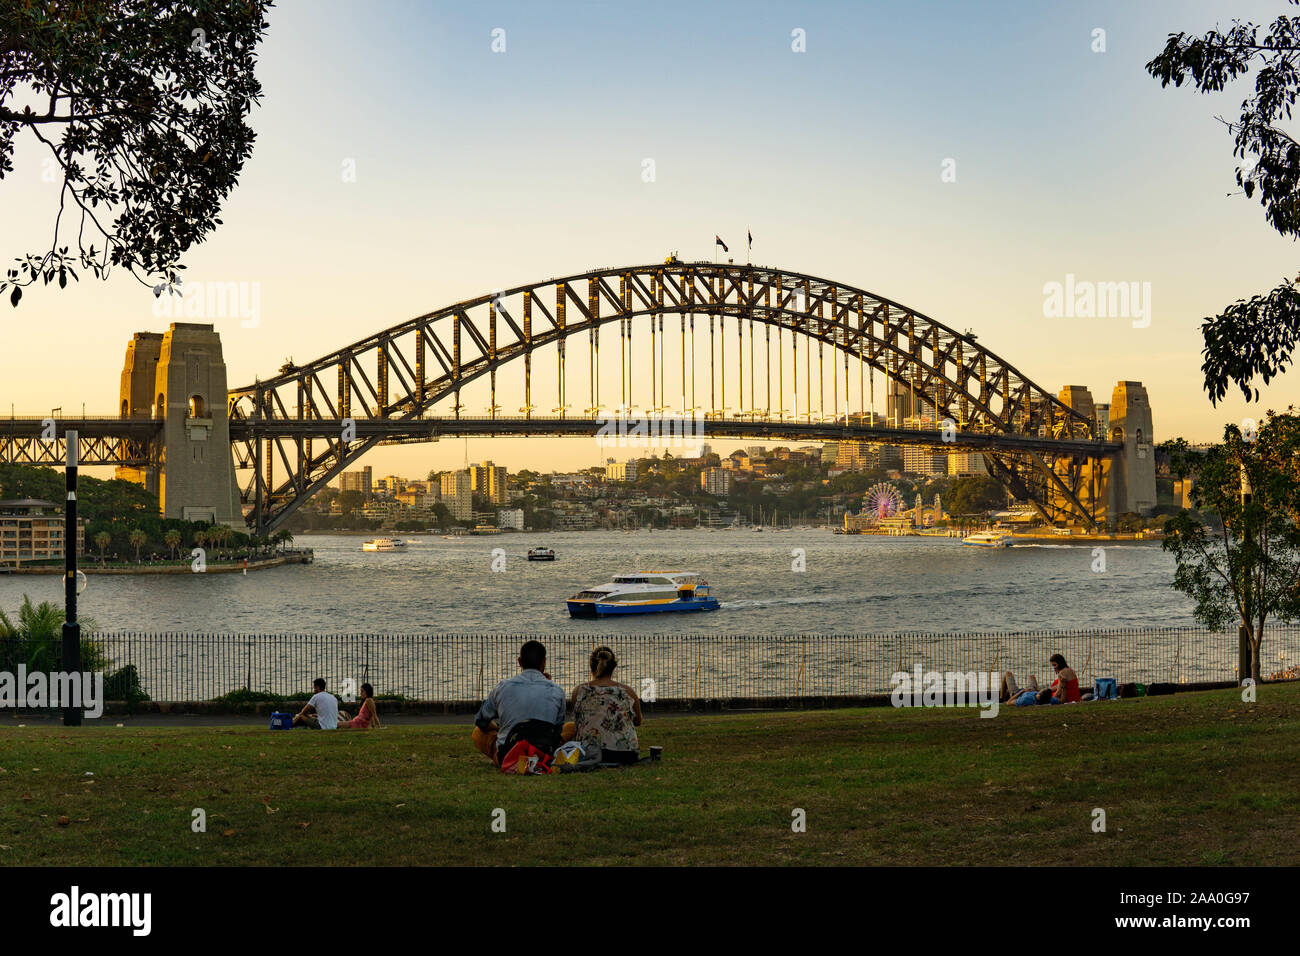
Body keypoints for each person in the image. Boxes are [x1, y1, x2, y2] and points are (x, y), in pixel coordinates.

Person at [472, 640, 566, 765]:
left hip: (508, 754)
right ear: (544, 662)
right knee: (570, 728)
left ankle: (506, 758)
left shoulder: (502, 687)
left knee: (478, 733)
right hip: (543, 753)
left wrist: (498, 728)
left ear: (519, 662)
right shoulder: (557, 691)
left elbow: (481, 721)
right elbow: (557, 729)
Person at [564, 646, 643, 763]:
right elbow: (638, 721)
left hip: (589, 753)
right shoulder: (627, 692)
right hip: (626, 753)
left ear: (591, 667)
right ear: (613, 667)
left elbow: (578, 721)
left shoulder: (580, 691)